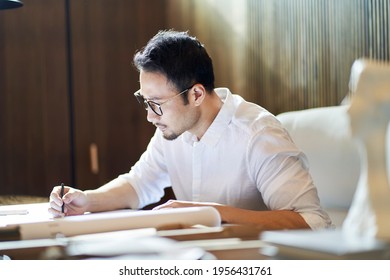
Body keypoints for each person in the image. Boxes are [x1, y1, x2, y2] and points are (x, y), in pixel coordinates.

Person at [49, 30, 332, 230]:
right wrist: (88, 200)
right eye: (144, 101)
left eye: (157, 104)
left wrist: (206, 214)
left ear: (196, 94)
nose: (149, 116)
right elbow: (139, 184)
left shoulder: (259, 135)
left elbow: (312, 222)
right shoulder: (171, 128)